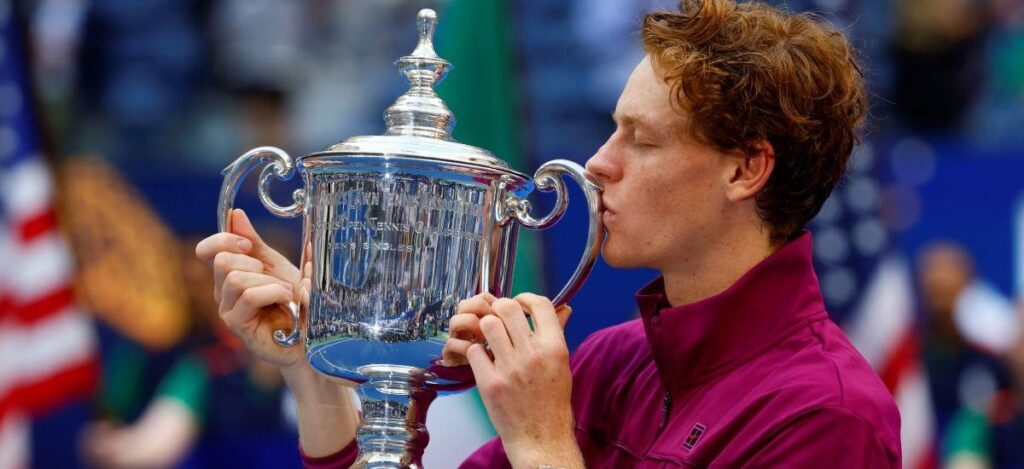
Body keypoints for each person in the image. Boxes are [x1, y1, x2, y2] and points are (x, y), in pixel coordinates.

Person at [196, 0, 901, 467]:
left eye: (642, 140)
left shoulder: (829, 414)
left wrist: (539, 441)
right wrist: (310, 363)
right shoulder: (608, 363)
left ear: (746, 169)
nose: (598, 161)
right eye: (611, 127)